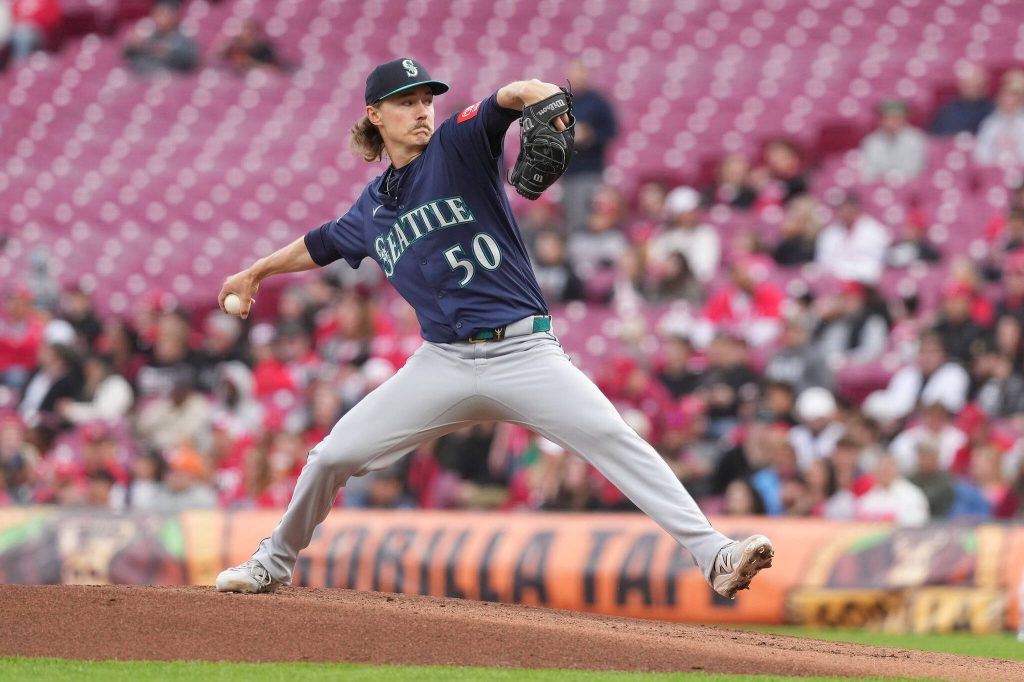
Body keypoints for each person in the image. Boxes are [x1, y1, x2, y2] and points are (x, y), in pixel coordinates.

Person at [214, 58, 773, 597]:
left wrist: (543, 100)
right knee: (331, 457)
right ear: (375, 116)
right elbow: (321, 242)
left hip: (524, 351)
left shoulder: (457, 146)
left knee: (614, 439)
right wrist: (255, 271)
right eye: (405, 102)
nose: (422, 110)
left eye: (426, 99)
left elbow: (512, 95)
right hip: (443, 364)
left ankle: (715, 556)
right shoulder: (370, 210)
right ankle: (272, 563)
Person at [558, 60, 618, 233]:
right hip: (566, 169)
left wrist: (591, 136)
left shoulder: (598, 102)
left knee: (589, 214)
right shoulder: (561, 101)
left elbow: (611, 130)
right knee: (571, 216)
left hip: (589, 167)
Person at [815, 192, 891, 285]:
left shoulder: (873, 229)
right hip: (837, 277)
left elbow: (876, 259)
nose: (843, 212)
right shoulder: (830, 232)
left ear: (855, 208)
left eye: (846, 208)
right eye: (840, 209)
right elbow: (824, 260)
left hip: (865, 276)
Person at [859, 99, 928, 182]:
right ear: (881, 120)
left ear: (904, 119)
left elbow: (915, 170)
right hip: (879, 185)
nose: (892, 122)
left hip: (908, 186)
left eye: (896, 118)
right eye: (888, 118)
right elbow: (867, 172)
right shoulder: (871, 141)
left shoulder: (916, 139)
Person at [122, 2, 199, 75]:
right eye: (158, 15)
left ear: (173, 17)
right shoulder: (148, 35)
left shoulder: (183, 37)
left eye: (164, 15)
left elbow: (191, 61)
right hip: (146, 78)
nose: (160, 19)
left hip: (172, 79)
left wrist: (167, 52)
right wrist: (134, 46)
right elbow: (129, 55)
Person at [974, 70, 1024, 167]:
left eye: (1014, 94)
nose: (1009, 99)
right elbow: (981, 155)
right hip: (994, 173)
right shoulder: (990, 122)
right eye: (1006, 94)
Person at [929, 62, 995, 136]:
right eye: (967, 85)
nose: (971, 89)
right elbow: (934, 136)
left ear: (985, 86)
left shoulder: (993, 111)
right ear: (960, 85)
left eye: (976, 86)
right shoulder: (948, 110)